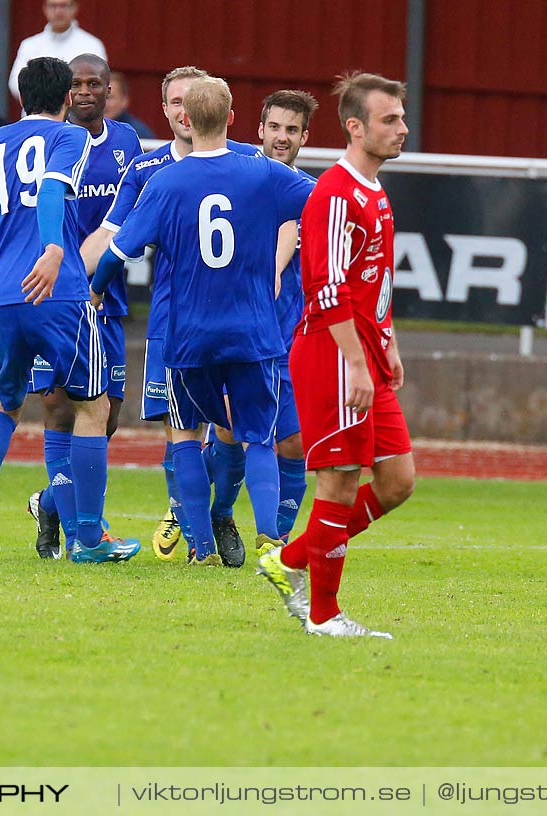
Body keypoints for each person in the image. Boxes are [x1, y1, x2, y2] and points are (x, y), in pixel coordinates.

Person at [90, 77, 312, 565]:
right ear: (233, 119)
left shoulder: (166, 183)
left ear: (185, 119)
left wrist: (97, 287)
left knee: (187, 433)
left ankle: (203, 548)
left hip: (188, 334)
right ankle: (271, 540)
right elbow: (321, 202)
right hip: (253, 331)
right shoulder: (262, 173)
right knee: (258, 437)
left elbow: (117, 252)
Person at [257, 72, 418, 639]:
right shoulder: (333, 193)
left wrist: (388, 339)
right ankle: (324, 615)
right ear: (355, 127)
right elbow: (326, 290)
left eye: (400, 117)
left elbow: (372, 278)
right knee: (339, 483)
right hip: (332, 351)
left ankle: (289, 558)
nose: (402, 128)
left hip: (367, 349)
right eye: (389, 119)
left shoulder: (374, 191)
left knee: (397, 480)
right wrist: (354, 361)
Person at [0, 57, 138, 565]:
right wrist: (53, 249)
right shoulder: (72, 139)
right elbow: (51, 190)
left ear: (20, 97)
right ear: (66, 99)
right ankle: (88, 538)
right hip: (57, 290)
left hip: (0, 292)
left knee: (5, 403)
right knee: (93, 405)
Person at [25, 53, 142, 559]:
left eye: (96, 83)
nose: (86, 91)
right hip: (57, 296)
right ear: (65, 92)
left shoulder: (128, 143)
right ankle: (78, 534)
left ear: (110, 89)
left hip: (108, 298)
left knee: (107, 417)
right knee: (58, 410)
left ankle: (52, 503)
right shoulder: (49, 142)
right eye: (77, 84)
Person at [208, 91, 319, 547]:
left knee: (293, 443)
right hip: (240, 332)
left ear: (304, 137)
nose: (282, 137)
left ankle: (278, 537)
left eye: (291, 130)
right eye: (275, 127)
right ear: (259, 129)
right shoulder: (241, 182)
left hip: (291, 337)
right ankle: (218, 514)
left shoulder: (312, 193)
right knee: (230, 431)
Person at [7, 0, 107, 101]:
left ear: (75, 7)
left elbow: (99, 84)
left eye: (64, 5)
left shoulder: (92, 45)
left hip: (75, 118)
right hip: (37, 115)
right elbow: (15, 85)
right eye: (53, 6)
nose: (58, 11)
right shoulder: (29, 45)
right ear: (45, 8)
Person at [105, 71, 155, 139]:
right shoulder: (86, 129)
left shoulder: (137, 133)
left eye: (109, 98)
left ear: (124, 100)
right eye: (100, 97)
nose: (104, 103)